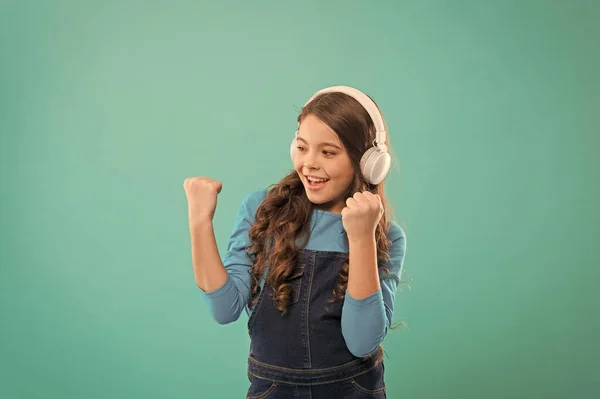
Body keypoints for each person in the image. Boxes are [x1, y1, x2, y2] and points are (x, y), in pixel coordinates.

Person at [184, 86, 407, 398]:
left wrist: (361, 239)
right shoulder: (261, 211)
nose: (310, 164)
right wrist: (200, 221)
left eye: (328, 152)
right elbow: (225, 309)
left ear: (368, 162)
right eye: (302, 147)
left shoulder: (386, 234)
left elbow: (361, 341)